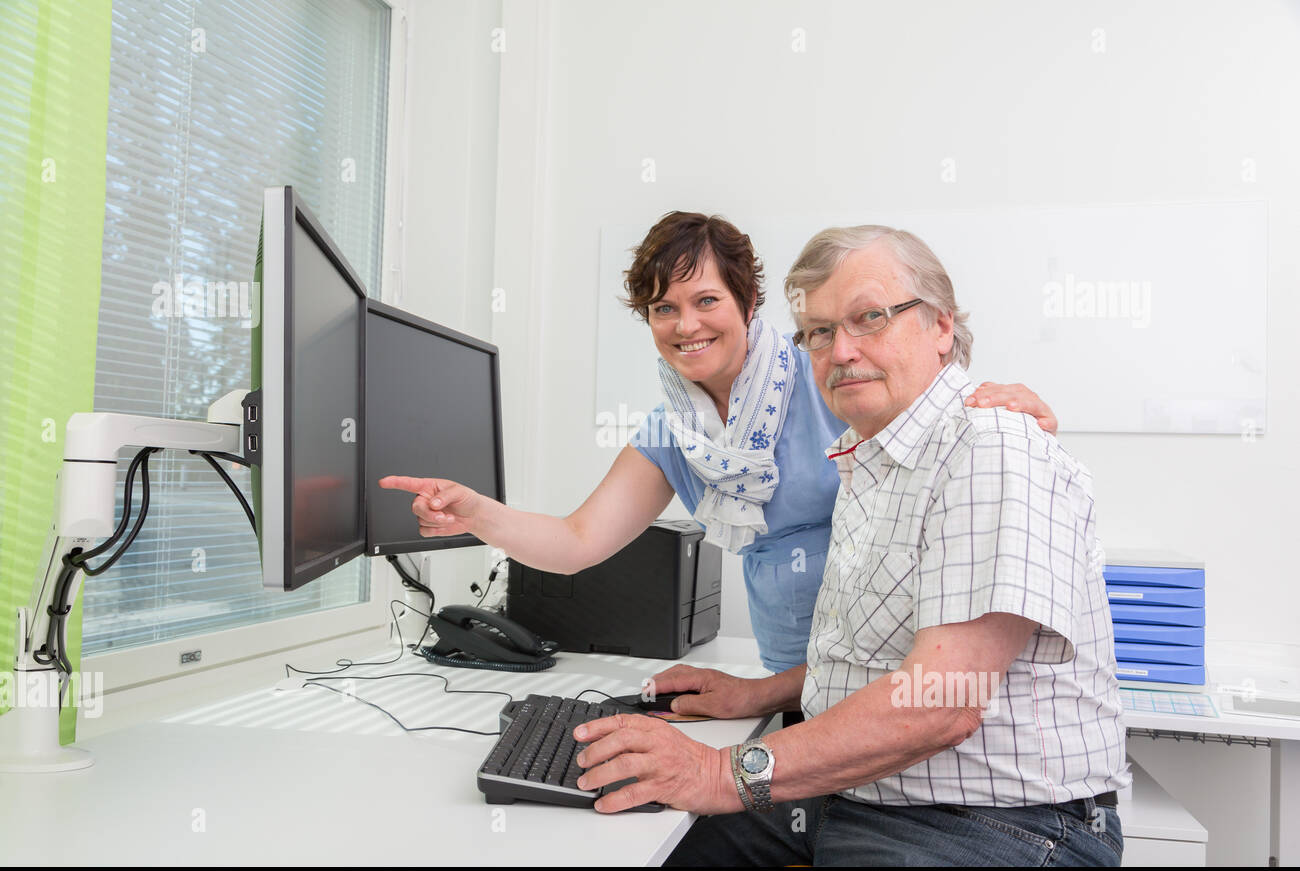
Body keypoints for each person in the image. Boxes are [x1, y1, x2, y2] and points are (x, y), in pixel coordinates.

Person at [567, 224, 1130, 867]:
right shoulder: (868, 467)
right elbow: (877, 666)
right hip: (860, 799)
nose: (841, 351)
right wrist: (757, 696)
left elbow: (939, 703)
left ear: (941, 327)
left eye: (869, 319)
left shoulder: (990, 447)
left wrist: (723, 772)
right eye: (820, 333)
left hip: (994, 826)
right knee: (635, 842)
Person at [380, 212, 1057, 674]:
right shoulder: (674, 432)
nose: (686, 325)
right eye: (663, 309)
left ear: (747, 302)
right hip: (787, 669)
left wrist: (1013, 415)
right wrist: (478, 514)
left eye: (706, 300)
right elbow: (577, 540)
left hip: (889, 670)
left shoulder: (825, 370)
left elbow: (933, 426)